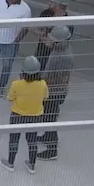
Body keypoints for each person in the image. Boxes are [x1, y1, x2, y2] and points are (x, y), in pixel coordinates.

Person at [33, 22, 75, 160]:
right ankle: (47, 137)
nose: (52, 43)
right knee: (48, 116)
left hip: (54, 92)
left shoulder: (63, 57)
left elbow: (59, 78)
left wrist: (41, 85)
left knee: (50, 118)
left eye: (55, 41)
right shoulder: (60, 49)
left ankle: (52, 150)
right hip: (52, 89)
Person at [1, 57, 48, 173]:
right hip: (35, 116)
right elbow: (45, 97)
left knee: (14, 139)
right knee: (32, 141)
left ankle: (10, 163)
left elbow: (9, 98)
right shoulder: (42, 84)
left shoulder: (16, 84)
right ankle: (32, 165)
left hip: (18, 115)